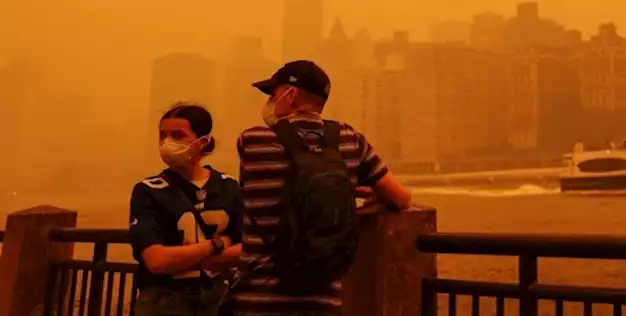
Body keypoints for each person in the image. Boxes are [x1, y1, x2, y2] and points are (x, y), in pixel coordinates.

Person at [228, 60, 414, 315]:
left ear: (290, 95)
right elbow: (401, 198)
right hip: (322, 301)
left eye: (273, 95)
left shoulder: (252, 141)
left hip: (257, 299)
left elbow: (278, 182)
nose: (270, 103)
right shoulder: (350, 140)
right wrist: (356, 190)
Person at [129, 103, 245, 316]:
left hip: (218, 299)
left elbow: (246, 250)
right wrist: (218, 244)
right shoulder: (149, 190)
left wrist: (184, 258)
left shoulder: (229, 187)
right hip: (163, 302)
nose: (166, 143)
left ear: (202, 142)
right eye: (162, 135)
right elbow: (157, 261)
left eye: (177, 135)